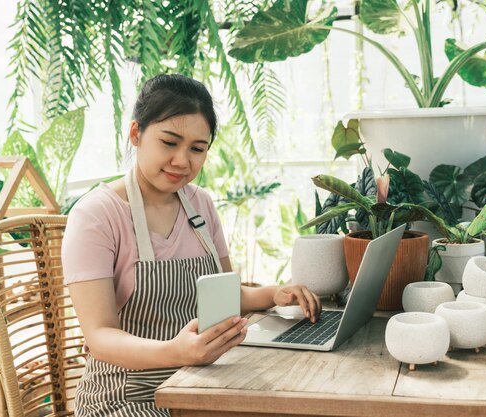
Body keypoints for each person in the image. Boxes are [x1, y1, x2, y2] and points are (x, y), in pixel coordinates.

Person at [63, 73, 322, 416]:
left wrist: (276, 294)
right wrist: (177, 352)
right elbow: (100, 337)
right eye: (169, 142)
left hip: (202, 385)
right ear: (136, 133)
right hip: (125, 396)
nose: (183, 161)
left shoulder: (200, 204)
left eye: (197, 149)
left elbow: (226, 297)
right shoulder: (96, 214)